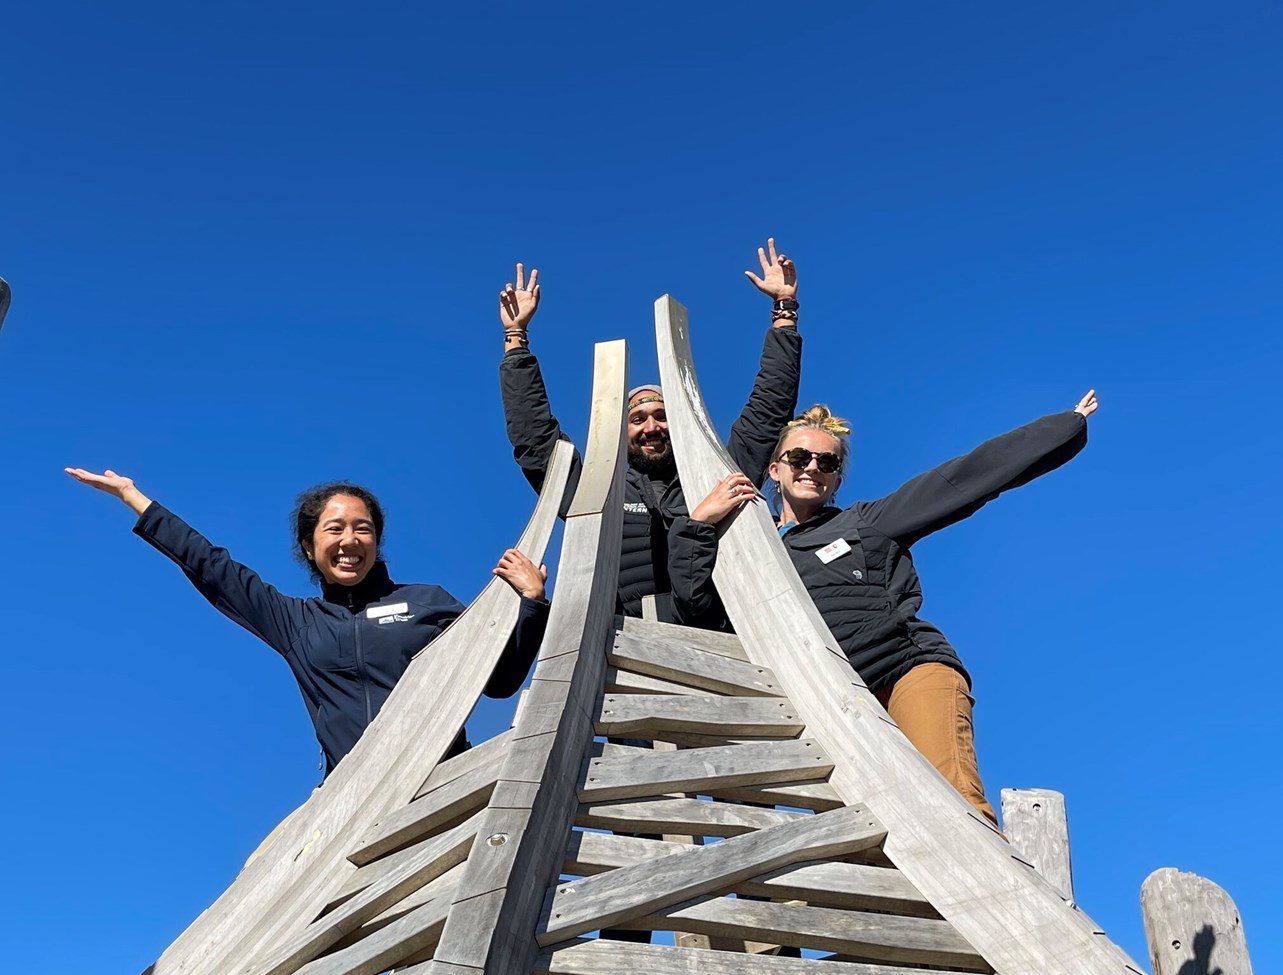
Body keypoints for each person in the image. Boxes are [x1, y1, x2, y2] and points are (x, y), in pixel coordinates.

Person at [667, 392, 1100, 825]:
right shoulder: (748, 552)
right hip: (828, 701)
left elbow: (965, 480)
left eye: (828, 463)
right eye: (799, 457)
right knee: (876, 829)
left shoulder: (863, 523)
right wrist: (699, 526)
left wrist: (1063, 427)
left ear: (837, 480)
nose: (813, 468)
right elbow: (698, 614)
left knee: (951, 804)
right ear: (774, 469)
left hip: (904, 671)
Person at [64, 469, 549, 775]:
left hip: (445, 778)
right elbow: (215, 568)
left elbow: (501, 682)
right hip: (354, 800)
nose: (349, 539)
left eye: (362, 528)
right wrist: (135, 499)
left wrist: (531, 604)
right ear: (309, 547)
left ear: (377, 542)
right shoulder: (296, 622)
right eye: (333, 528)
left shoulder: (428, 602)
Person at [497, 238, 801, 624]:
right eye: (638, 419)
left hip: (717, 639)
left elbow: (767, 413)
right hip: (623, 645)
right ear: (621, 432)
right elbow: (536, 441)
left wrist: (784, 313)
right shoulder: (597, 490)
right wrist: (516, 340)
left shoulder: (717, 478)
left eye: (662, 415)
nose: (651, 427)